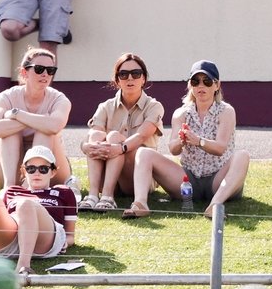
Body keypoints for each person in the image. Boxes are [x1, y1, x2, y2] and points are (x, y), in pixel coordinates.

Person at [124, 61, 249, 220]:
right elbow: (173, 149)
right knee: (143, 153)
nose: (201, 86)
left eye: (207, 81)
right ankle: (140, 204)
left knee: (242, 155)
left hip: (219, 179)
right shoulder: (181, 113)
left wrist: (199, 141)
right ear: (190, 85)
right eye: (195, 82)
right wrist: (181, 141)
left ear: (217, 85)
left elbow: (221, 148)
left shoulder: (226, 111)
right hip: (188, 181)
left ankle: (215, 205)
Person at [0, 145, 78, 275]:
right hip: (12, 236)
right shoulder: (11, 191)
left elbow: (70, 235)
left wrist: (66, 243)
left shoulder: (63, 192)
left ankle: (23, 266)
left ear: (52, 172)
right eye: (31, 169)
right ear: (24, 172)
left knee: (26, 205)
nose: (37, 173)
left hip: (45, 239)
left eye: (43, 169)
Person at [80, 53, 163, 212]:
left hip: (138, 179)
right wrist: (86, 146)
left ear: (143, 79)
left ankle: (108, 197)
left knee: (114, 137)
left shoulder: (154, 106)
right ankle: (92, 196)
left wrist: (119, 147)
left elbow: (141, 136)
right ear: (117, 80)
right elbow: (93, 135)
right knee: (95, 136)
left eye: (136, 74)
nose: (130, 78)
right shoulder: (105, 106)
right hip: (111, 176)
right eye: (123, 74)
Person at [0, 47, 71, 190]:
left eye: (50, 70)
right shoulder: (6, 97)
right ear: (24, 72)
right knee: (9, 132)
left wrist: (17, 115)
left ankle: (30, 189)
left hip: (50, 172)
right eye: (39, 69)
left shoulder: (59, 99)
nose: (45, 74)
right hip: (9, 169)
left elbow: (54, 126)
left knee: (45, 132)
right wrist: (42, 119)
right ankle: (9, 189)